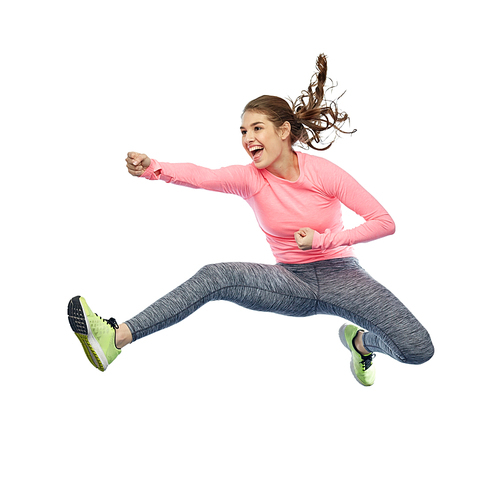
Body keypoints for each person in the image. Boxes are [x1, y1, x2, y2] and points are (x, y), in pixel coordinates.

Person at [67, 54, 434, 386]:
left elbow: (384, 222)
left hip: (344, 275)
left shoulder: (322, 173)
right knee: (215, 275)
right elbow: (202, 175)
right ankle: (116, 338)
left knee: (417, 349)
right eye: (243, 131)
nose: (248, 138)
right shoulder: (250, 178)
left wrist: (323, 241)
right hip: (291, 281)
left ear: (283, 132)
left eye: (257, 128)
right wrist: (154, 168)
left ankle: (359, 343)